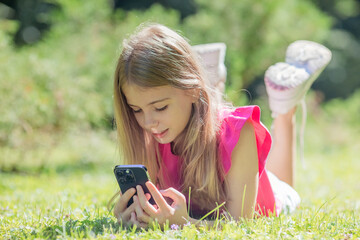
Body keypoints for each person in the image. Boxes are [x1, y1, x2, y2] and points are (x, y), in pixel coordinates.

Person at [111, 23, 331, 228]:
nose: (148, 122)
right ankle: (214, 77)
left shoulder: (237, 131)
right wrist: (136, 213)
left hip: (271, 195)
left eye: (160, 108)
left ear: (193, 89)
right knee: (205, 119)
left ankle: (284, 109)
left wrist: (186, 222)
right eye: (136, 110)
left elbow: (240, 225)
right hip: (217, 144)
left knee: (284, 186)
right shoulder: (150, 133)